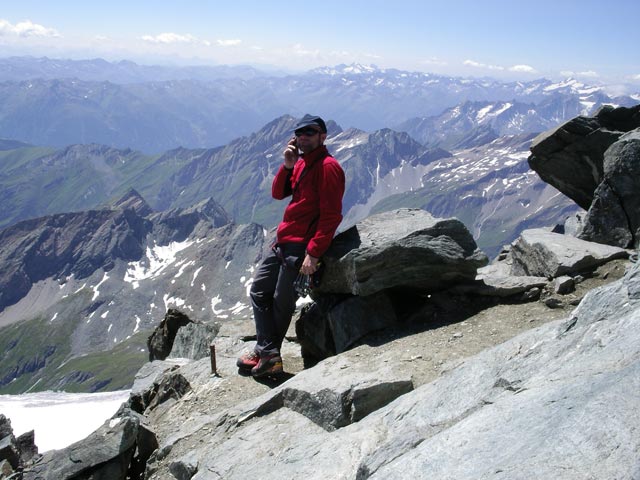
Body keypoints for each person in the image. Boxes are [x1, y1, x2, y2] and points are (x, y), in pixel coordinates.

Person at [237, 114, 345, 377]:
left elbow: (331, 215)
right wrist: (287, 165)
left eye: (311, 131)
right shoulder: (300, 164)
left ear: (323, 136)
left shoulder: (328, 167)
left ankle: (270, 356)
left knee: (281, 301)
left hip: (302, 248)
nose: (304, 136)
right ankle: (267, 349)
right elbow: (278, 193)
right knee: (259, 290)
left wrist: (313, 253)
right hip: (284, 242)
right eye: (300, 132)